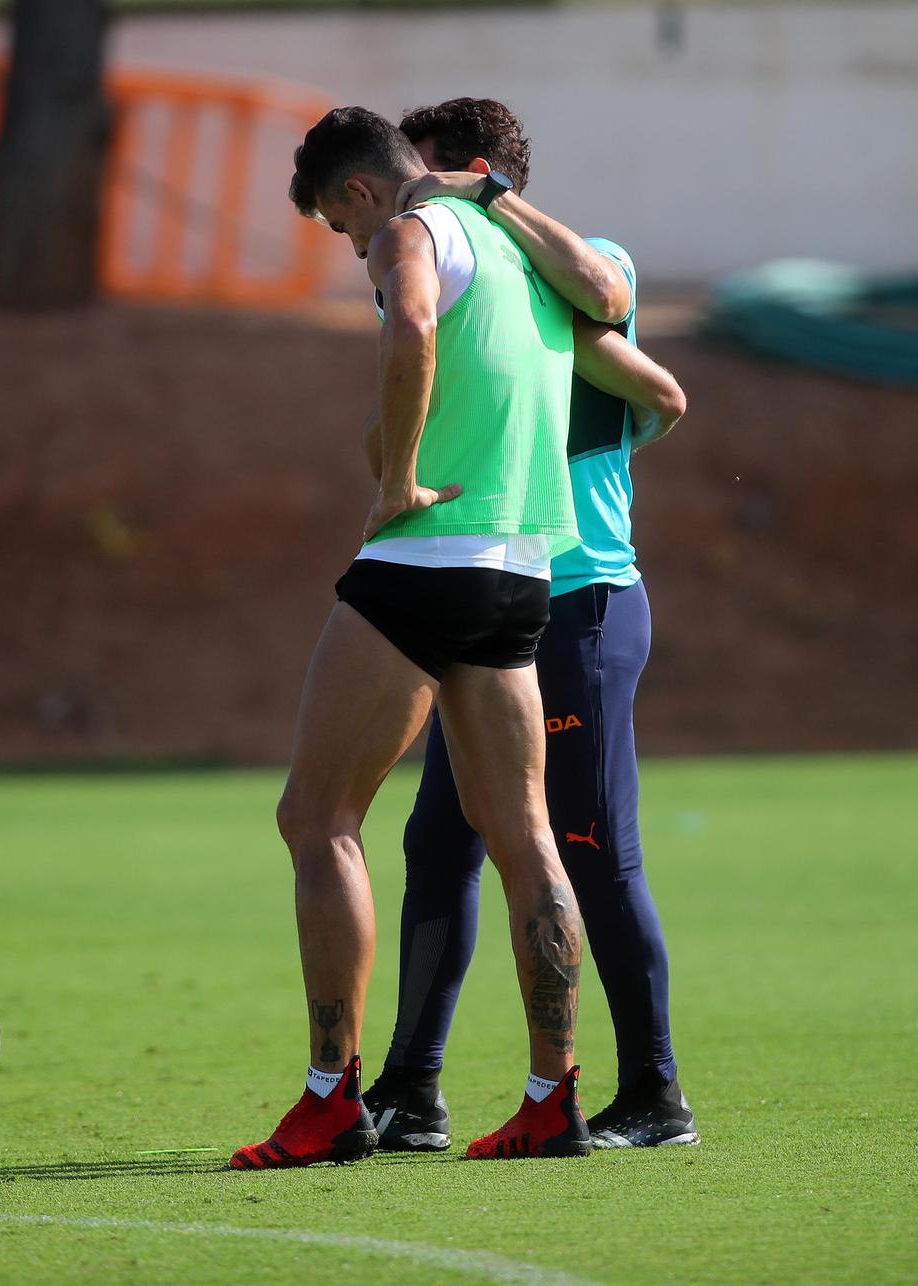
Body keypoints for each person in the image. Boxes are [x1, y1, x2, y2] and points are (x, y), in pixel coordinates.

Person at [232, 106, 679, 1169]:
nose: (358, 256)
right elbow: (622, 357)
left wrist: (392, 483)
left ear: (356, 192)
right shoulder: (523, 250)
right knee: (521, 835)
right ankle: (548, 1095)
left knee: (317, 817)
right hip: (525, 567)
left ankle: (328, 1098)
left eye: (342, 236)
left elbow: (415, 327)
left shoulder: (408, 231)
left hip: (427, 554)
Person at [360, 98, 699, 1151]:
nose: (404, 201)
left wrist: (490, 203)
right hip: (486, 586)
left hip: (582, 594)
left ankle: (653, 1093)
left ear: (466, 173)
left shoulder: (578, 260)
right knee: (438, 842)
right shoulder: (445, 271)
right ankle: (410, 1088)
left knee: (593, 849)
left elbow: (608, 309)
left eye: (423, 177)